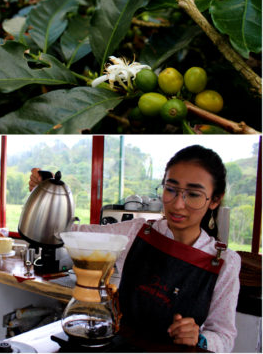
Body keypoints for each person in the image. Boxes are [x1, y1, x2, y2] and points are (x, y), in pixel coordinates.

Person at [28, 145, 241, 353]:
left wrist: (200, 339)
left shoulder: (223, 261)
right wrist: (47, 196)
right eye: (171, 189)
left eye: (193, 194)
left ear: (214, 200)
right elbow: (69, 232)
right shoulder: (137, 232)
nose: (177, 204)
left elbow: (223, 337)